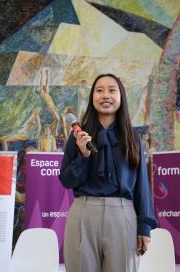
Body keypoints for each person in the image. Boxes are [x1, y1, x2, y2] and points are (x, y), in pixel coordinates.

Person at [59, 73, 157, 272]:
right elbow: (67, 180)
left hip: (123, 215)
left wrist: (144, 227)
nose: (106, 95)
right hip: (83, 215)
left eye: (112, 90)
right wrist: (84, 155)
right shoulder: (78, 135)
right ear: (92, 97)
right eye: (99, 90)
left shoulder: (132, 137)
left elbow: (142, 186)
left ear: (121, 97)